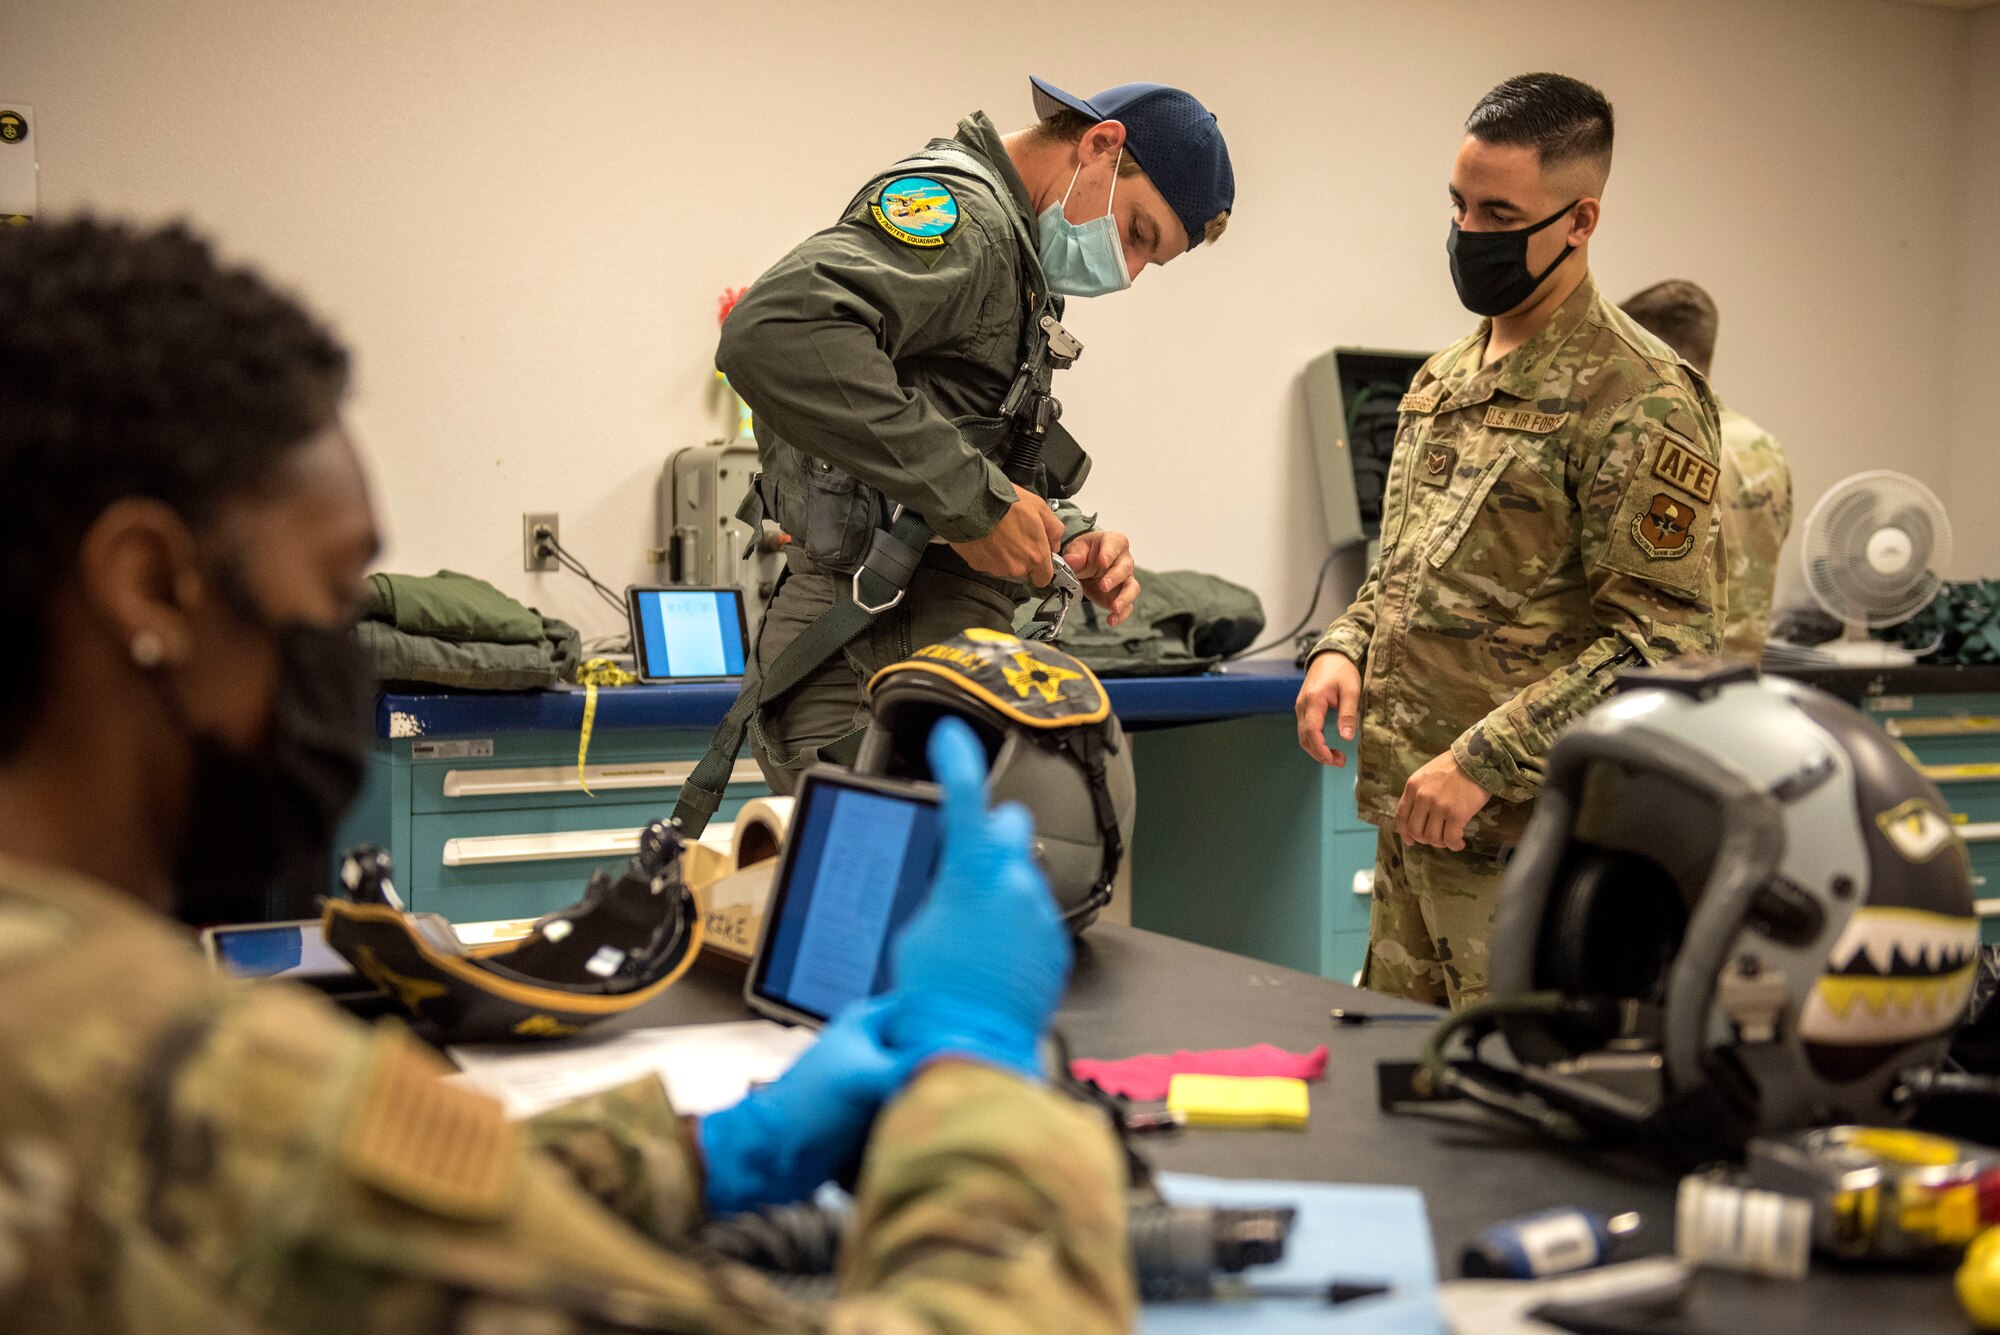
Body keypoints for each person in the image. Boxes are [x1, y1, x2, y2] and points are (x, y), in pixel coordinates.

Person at [0, 218, 1132, 1333]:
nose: (340, 651)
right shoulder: (180, 1085)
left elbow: (359, 1217)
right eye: (333, 589)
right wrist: (979, 1084)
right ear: (150, 585)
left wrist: (696, 1159)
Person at [1293, 74, 1725, 1010]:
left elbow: (1667, 649)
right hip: (1413, 826)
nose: (1468, 231)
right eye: (1458, 203)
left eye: (1499, 211)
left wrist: (1483, 762)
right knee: (1409, 1104)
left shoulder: (1638, 395)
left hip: (1530, 848)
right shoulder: (1445, 378)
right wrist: (1346, 645)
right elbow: (1409, 569)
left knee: (1518, 1120)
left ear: (1580, 220)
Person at [705, 76, 1234, 798]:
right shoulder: (969, 222)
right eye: (1138, 233)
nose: (1130, 272)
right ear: (1101, 144)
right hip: (878, 642)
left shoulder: (1011, 252)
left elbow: (943, 425)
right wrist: (978, 504)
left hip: (904, 639)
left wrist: (1057, 533)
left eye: (1152, 259)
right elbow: (775, 332)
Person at [1621, 279, 1794, 661]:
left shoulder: (1643, 443)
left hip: (1661, 696)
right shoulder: (1763, 450)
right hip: (1738, 691)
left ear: (1647, 350)